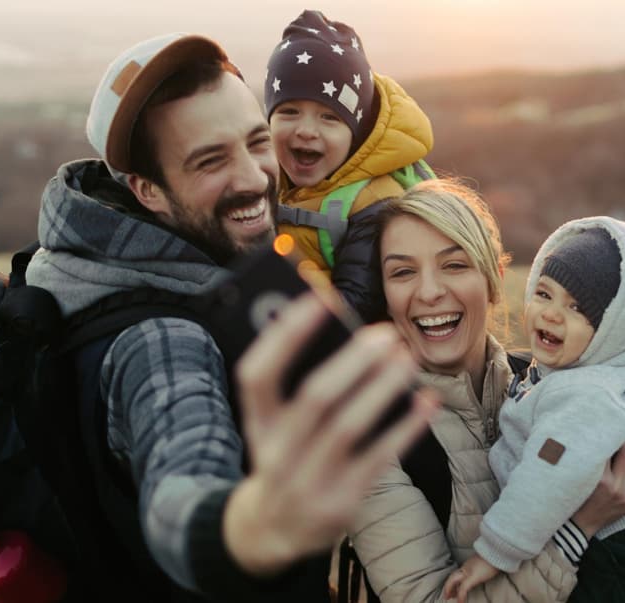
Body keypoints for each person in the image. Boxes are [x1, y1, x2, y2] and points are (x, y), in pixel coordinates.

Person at [24, 32, 434, 601]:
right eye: (210, 161)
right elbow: (180, 486)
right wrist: (254, 526)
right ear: (148, 190)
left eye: (257, 142)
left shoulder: (103, 254)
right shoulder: (160, 333)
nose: (253, 178)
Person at [346, 179, 625, 602]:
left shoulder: (548, 380)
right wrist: (579, 530)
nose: (430, 292)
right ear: (384, 296)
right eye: (403, 272)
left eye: (454, 265)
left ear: (493, 279)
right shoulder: (375, 439)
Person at [443, 216, 625, 603]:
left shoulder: (585, 396)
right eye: (544, 294)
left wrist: (492, 553)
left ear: (614, 330)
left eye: (577, 307)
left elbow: (546, 475)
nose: (551, 314)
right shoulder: (581, 372)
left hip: (618, 549)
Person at [264, 9, 434, 322]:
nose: (306, 130)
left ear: (356, 135)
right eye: (289, 111)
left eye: (329, 117)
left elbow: (357, 306)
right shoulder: (267, 178)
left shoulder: (374, 204)